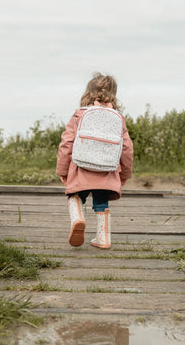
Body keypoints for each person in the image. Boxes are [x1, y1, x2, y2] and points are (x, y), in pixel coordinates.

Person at [56, 73, 133, 249]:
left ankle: (77, 218)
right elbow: (127, 148)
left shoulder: (80, 114)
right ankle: (103, 239)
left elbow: (66, 143)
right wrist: (125, 173)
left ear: (88, 93)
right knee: (101, 202)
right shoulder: (118, 118)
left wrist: (62, 170)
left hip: (80, 168)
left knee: (74, 195)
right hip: (107, 169)